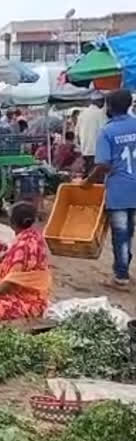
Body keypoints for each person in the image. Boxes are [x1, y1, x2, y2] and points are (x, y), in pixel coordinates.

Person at [81, 89, 136, 290]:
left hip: (120, 190)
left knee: (121, 233)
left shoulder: (107, 131)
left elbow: (103, 165)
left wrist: (87, 182)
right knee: (129, 231)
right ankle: (124, 267)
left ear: (110, 108)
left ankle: (121, 275)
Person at [76, 93, 107, 176]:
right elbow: (105, 132)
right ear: (100, 102)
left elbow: (77, 136)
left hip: (86, 151)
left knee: (89, 176)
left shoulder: (82, 114)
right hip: (98, 152)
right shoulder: (101, 114)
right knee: (98, 178)